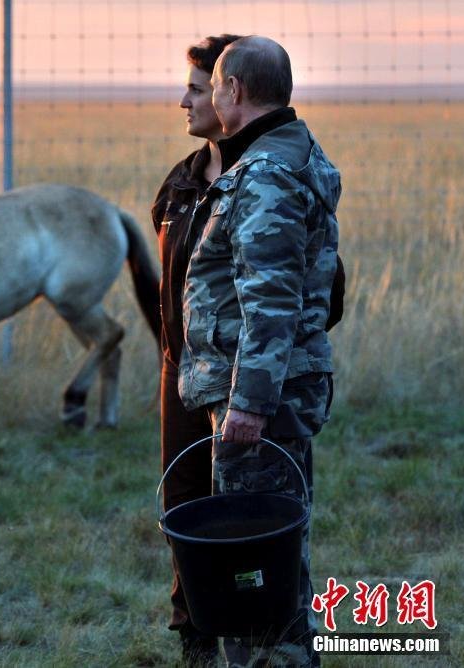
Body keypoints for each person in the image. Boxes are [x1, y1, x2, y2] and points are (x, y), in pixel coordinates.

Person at [178, 35, 342, 666]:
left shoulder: (266, 175)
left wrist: (247, 404)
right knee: (274, 553)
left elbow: (269, 302)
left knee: (254, 564)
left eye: (212, 86)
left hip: (259, 402)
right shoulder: (287, 155)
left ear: (235, 93)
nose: (207, 95)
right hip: (272, 389)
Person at [152, 33, 241, 665]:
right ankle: (196, 637)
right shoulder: (180, 183)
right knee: (183, 505)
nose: (183, 100)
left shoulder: (266, 182)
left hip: (243, 382)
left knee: (244, 513)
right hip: (178, 374)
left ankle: (255, 631)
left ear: (228, 92)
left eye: (194, 88)